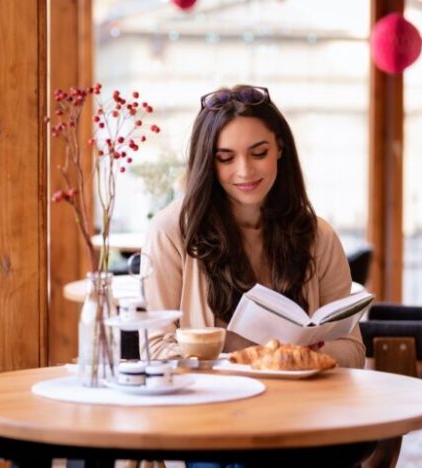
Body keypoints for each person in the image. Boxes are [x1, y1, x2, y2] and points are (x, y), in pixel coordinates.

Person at [142, 84, 365, 368]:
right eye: (226, 158)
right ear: (207, 163)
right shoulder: (171, 231)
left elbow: (354, 352)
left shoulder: (318, 236)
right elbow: (155, 347)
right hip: (210, 406)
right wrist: (251, 363)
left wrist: (307, 353)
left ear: (280, 147)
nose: (245, 170)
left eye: (258, 153)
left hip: (298, 407)